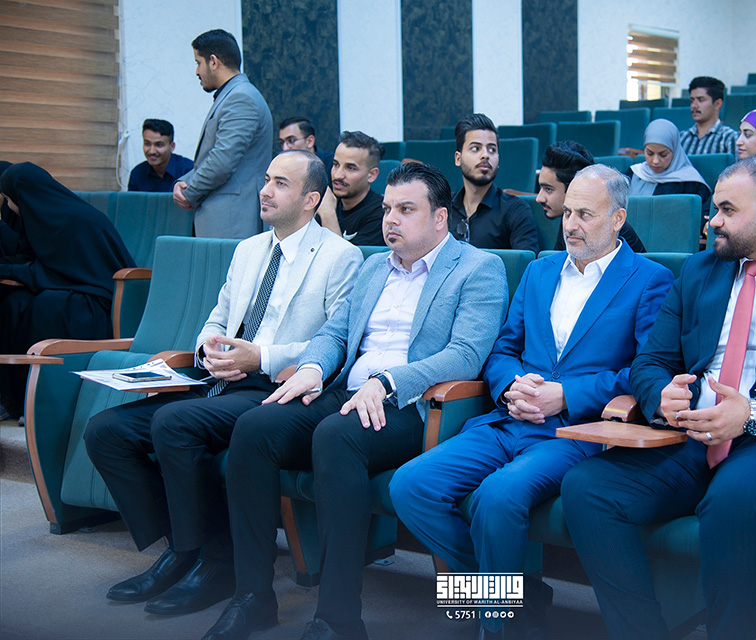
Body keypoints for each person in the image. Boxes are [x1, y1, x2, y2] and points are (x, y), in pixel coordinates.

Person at [561, 155, 756, 640]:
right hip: (692, 436)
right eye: (715, 208)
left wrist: (752, 414)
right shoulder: (699, 271)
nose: (712, 220)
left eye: (727, 210)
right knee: (587, 488)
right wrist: (660, 396)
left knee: (734, 498)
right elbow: (650, 362)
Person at [202, 162, 510, 640]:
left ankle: (338, 618)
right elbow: (334, 334)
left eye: (406, 210)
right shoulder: (372, 266)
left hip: (414, 405)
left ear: (439, 218)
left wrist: (388, 382)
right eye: (387, 209)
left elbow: (466, 355)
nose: (391, 220)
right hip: (348, 393)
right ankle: (253, 596)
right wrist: (312, 368)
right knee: (255, 427)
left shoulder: (478, 268)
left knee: (336, 436)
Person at [390, 164, 673, 638]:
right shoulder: (540, 271)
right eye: (568, 212)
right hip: (510, 418)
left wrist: (568, 394)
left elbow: (647, 372)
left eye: (585, 214)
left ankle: (496, 627)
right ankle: (514, 596)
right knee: (410, 486)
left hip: (574, 432)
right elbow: (503, 350)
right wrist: (511, 385)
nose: (571, 224)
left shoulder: (649, 279)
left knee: (497, 497)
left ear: (618, 218)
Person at [83, 151, 362, 616]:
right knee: (106, 432)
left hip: (273, 387)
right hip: (220, 380)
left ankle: (216, 564)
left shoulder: (340, 257)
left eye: (280, 183)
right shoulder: (248, 250)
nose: (264, 190)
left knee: (175, 423)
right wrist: (207, 350)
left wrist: (261, 356)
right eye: (266, 179)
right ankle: (182, 548)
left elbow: (335, 341)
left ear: (311, 199)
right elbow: (217, 318)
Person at [0, 163, 135, 421]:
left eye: (8, 198)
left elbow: (57, 271)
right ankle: (14, 399)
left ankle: (43, 405)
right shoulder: (43, 215)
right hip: (71, 287)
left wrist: (8, 270)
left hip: (97, 300)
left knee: (45, 308)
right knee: (15, 304)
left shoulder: (72, 218)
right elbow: (38, 263)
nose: (7, 204)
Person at [174, 29, 272, 239]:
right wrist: (183, 182)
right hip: (227, 216)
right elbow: (215, 158)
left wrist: (189, 192)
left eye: (198, 63)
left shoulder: (241, 98)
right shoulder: (234, 95)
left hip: (232, 219)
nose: (197, 72)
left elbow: (222, 161)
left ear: (213, 61)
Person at [448, 114, 539, 253]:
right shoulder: (443, 208)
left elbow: (526, 263)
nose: (485, 155)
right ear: (458, 158)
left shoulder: (516, 211)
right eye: (475, 148)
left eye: (492, 150)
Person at [537, 141, 646, 252]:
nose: (539, 198)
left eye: (548, 189)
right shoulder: (569, 220)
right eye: (567, 212)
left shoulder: (607, 229)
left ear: (573, 187)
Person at [628, 118, 713, 221]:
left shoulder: (692, 183)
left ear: (675, 151)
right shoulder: (634, 174)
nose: (655, 161)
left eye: (663, 155)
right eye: (649, 153)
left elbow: (702, 218)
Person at [314, 131, 386, 246]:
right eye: (336, 164)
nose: (338, 175)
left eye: (350, 168)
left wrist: (328, 215)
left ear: (371, 175)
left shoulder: (381, 215)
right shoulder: (327, 202)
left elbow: (345, 257)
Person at [127, 119, 194, 192]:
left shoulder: (189, 171)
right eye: (147, 144)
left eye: (159, 145)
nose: (152, 151)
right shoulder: (137, 173)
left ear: (172, 146)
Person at [679, 77, 738, 155]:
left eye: (701, 100)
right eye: (692, 101)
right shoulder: (681, 138)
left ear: (717, 104)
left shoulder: (729, 138)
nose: (694, 105)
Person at [278, 116, 335, 184]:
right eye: (282, 142)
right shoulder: (281, 166)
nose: (285, 148)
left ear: (309, 141)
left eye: (291, 140)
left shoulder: (332, 164)